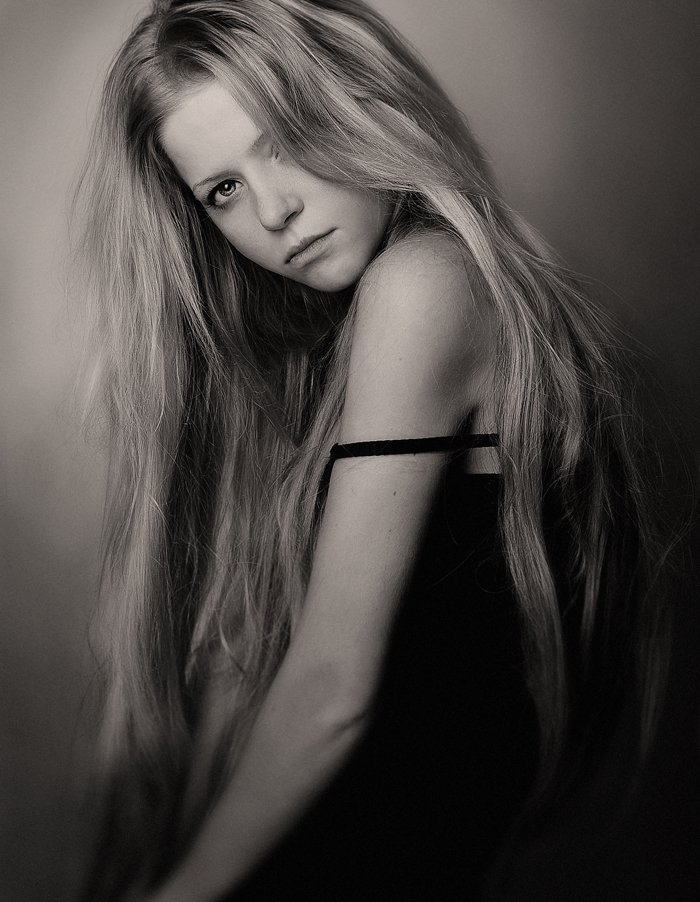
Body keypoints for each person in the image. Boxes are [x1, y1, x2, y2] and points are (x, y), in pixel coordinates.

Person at [75, 1, 670, 899]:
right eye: (223, 190)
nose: (274, 210)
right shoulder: (335, 341)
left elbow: (331, 691)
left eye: (285, 142)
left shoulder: (422, 285)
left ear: (358, 104)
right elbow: (252, 664)